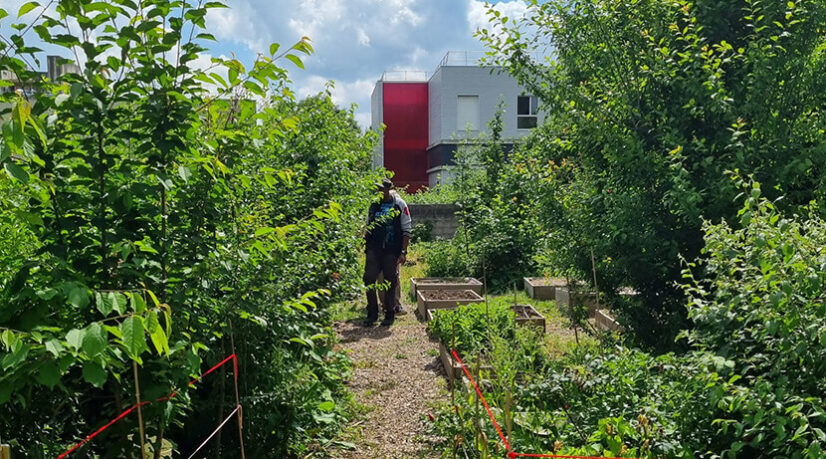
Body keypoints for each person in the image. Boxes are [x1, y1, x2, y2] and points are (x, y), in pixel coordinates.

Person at [363, 178, 411, 326]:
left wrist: (403, 252)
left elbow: (406, 229)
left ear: (388, 190)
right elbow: (369, 225)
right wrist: (364, 240)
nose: (379, 192)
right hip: (374, 248)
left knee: (390, 280)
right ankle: (372, 313)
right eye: (378, 189)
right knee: (369, 278)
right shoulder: (374, 205)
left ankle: (389, 313)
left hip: (391, 248)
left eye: (381, 189)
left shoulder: (399, 204)